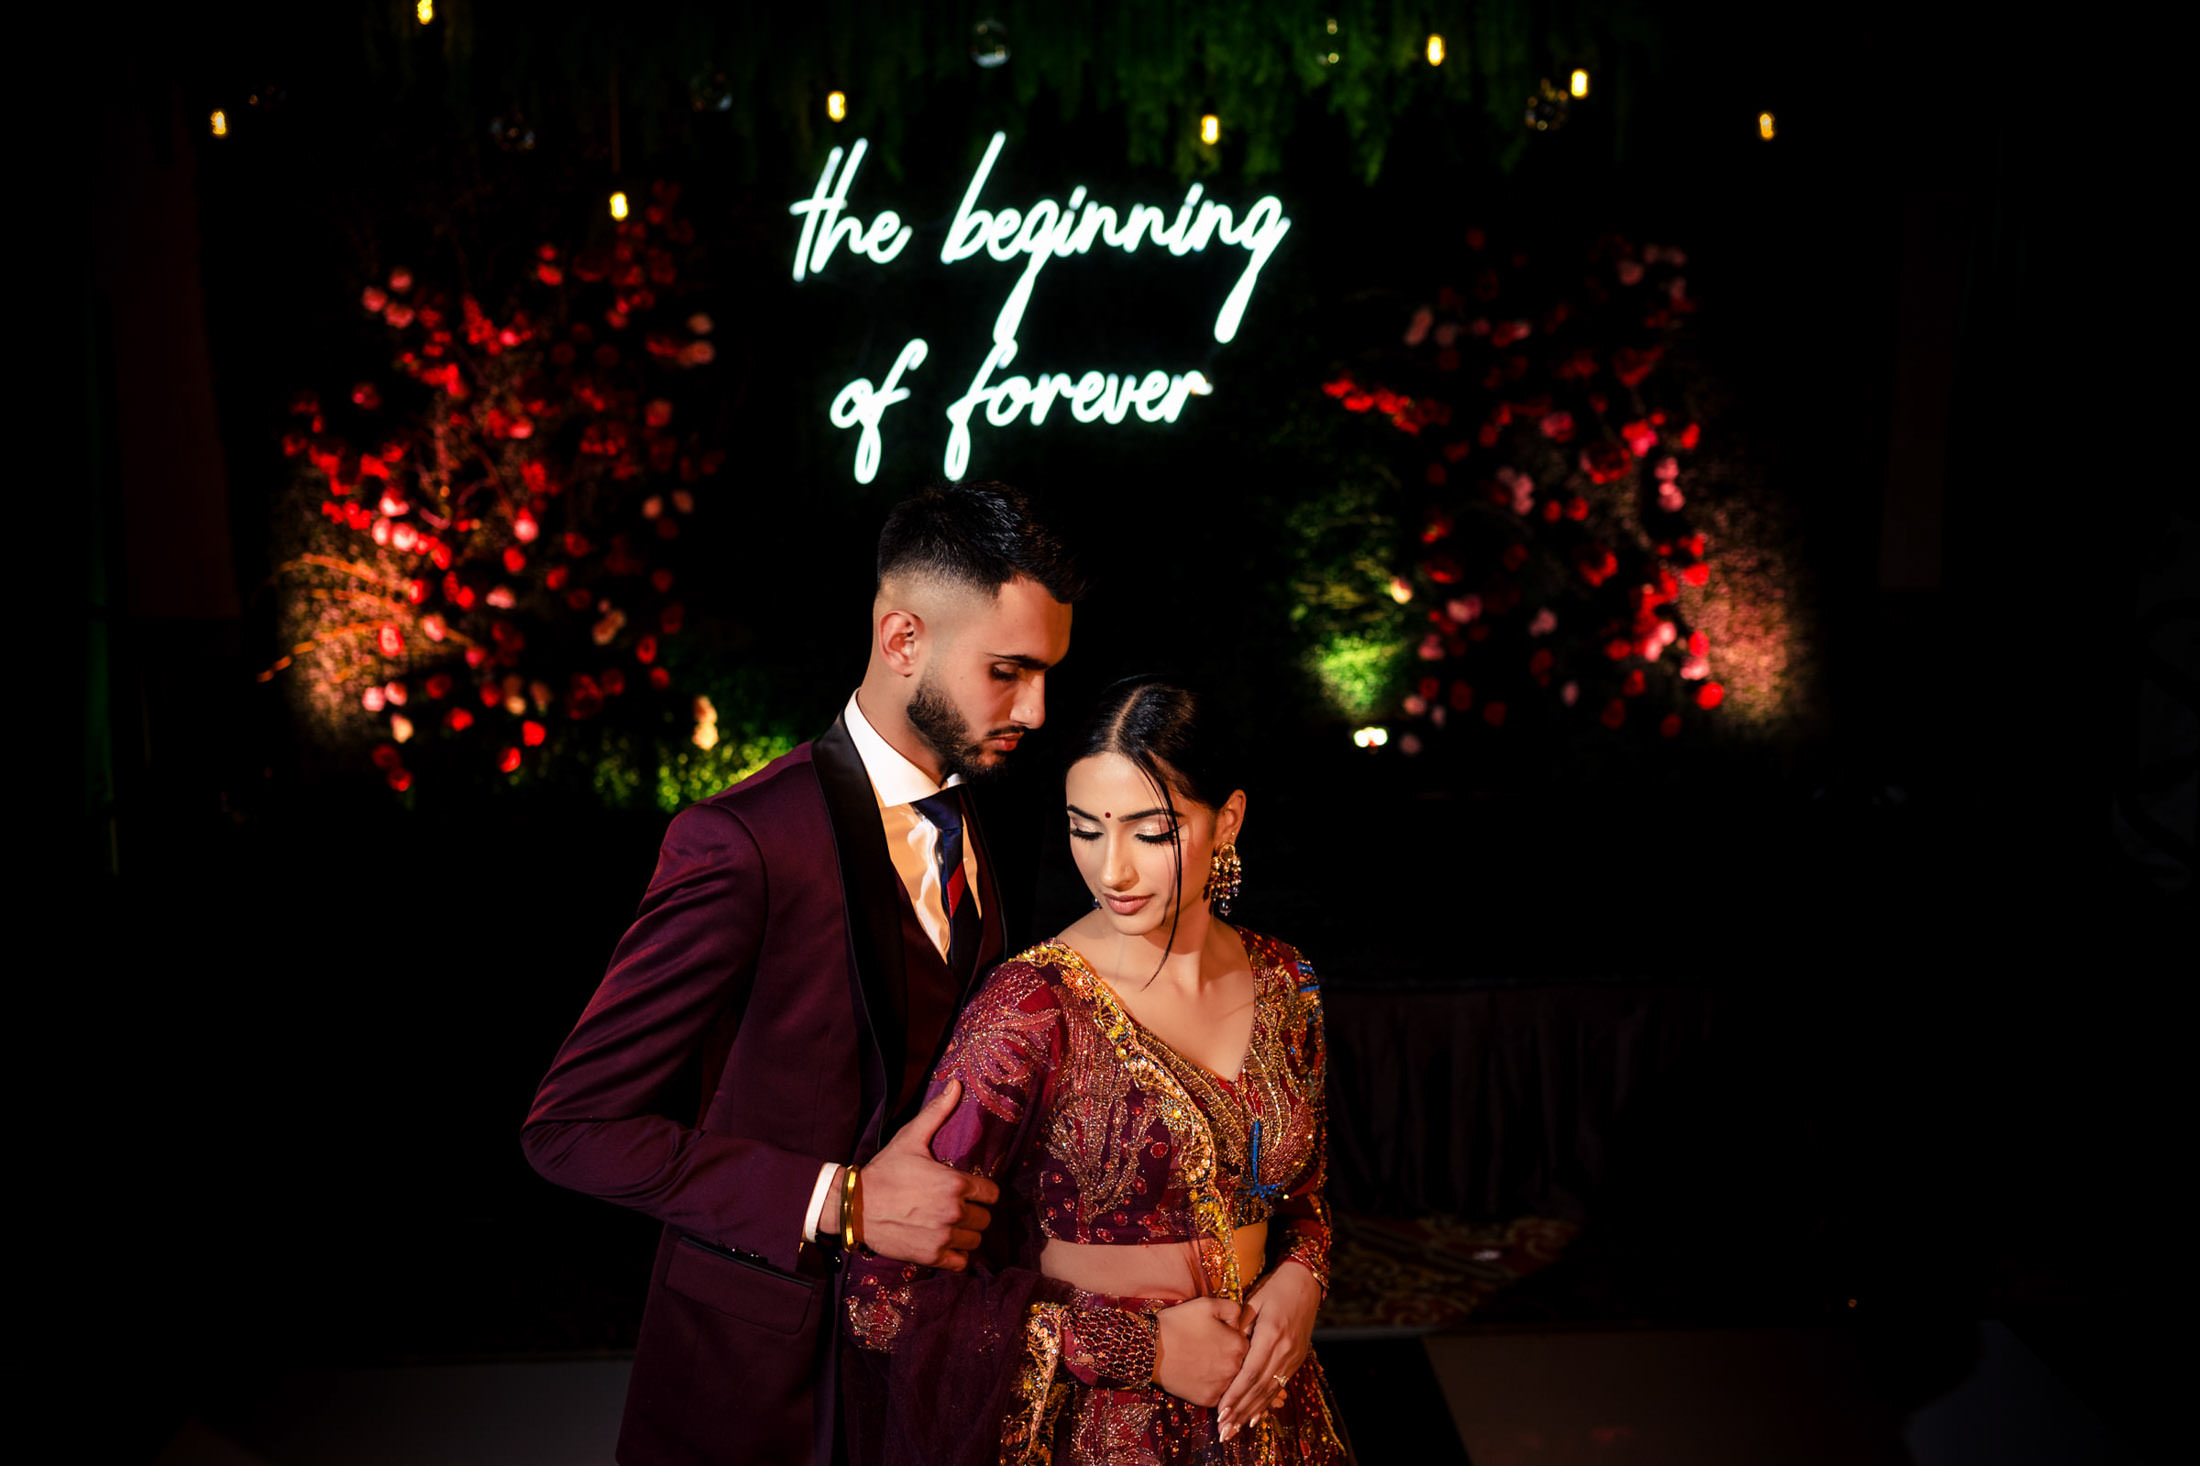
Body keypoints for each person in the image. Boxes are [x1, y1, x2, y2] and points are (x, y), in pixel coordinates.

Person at [523, 481, 1084, 1466]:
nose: (1036, 709)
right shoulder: (740, 841)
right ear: (902, 637)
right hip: (768, 1373)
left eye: (1045, 675)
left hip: (932, 1362)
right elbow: (571, 1128)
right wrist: (842, 1198)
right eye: (1008, 671)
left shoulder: (983, 821)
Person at [841, 677, 1352, 1465]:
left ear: (1229, 821)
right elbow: (882, 1299)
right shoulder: (1032, 1009)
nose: (1111, 869)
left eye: (1150, 833)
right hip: (1098, 1431)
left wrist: (1301, 1281)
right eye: (1086, 829)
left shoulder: (1286, 982)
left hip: (1273, 1414)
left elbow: (1303, 1197)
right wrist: (1142, 1348)